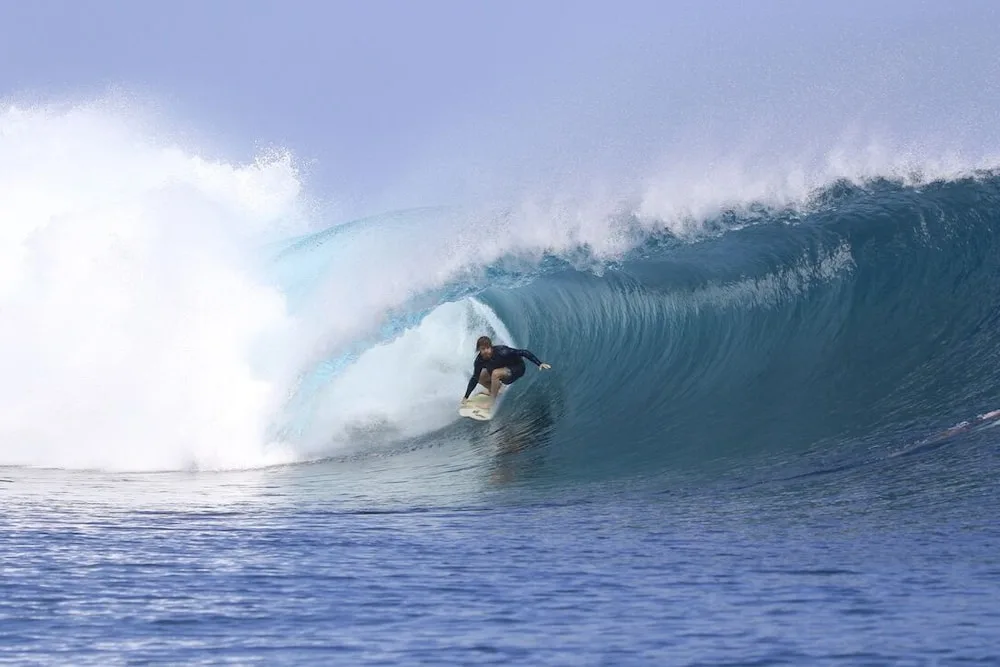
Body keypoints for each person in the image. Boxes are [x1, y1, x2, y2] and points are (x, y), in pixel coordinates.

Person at [462, 335, 551, 404]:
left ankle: (492, 401)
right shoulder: (479, 361)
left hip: (517, 368)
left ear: (491, 347)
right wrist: (466, 397)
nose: (486, 351)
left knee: (495, 373)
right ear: (479, 350)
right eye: (483, 349)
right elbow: (474, 379)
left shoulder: (502, 351)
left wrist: (539, 363)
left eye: (488, 348)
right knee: (480, 377)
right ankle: (497, 390)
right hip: (500, 371)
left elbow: (523, 352)